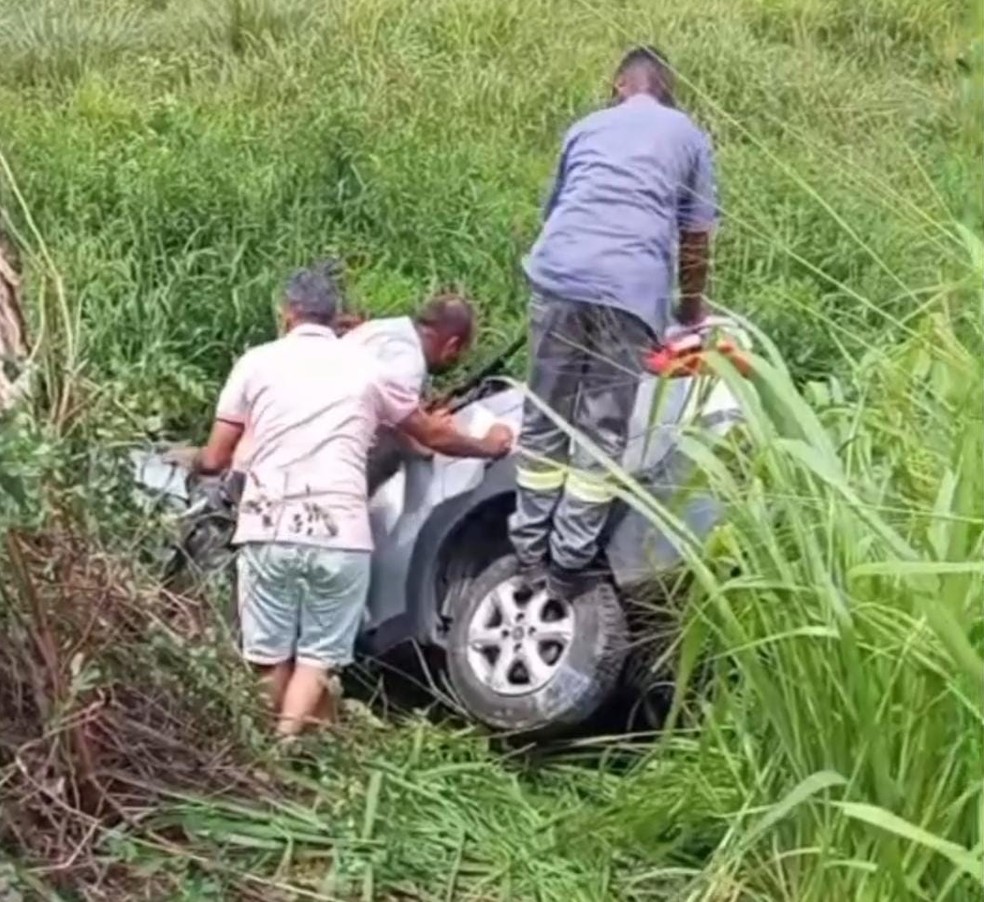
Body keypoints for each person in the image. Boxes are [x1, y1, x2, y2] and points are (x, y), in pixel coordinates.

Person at [182, 268, 512, 736]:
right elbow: (430, 434)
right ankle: (284, 751)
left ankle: (270, 755)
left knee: (268, 656)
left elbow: (216, 458)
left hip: (267, 525)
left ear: (287, 313)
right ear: (336, 315)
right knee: (316, 662)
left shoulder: (256, 362)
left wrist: (193, 460)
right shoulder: (369, 367)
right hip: (339, 533)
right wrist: (490, 444)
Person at [509, 45, 719, 601]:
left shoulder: (586, 127)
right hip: (630, 294)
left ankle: (528, 554)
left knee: (545, 418)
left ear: (618, 85)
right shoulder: (690, 136)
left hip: (558, 278)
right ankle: (568, 565)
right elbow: (695, 238)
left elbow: (557, 211)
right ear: (667, 90)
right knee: (600, 437)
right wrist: (691, 312)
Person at [343, 293, 481, 486]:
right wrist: (427, 440)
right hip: (333, 456)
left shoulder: (385, 328)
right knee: (391, 448)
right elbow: (404, 429)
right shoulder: (410, 361)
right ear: (451, 346)